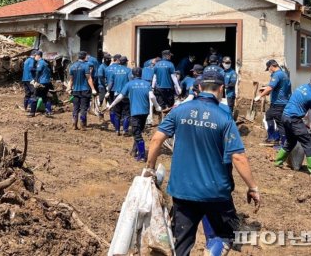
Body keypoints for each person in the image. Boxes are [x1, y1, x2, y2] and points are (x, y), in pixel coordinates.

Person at [145, 69, 261, 255]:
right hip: (215, 190)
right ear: (222, 89)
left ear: (198, 87)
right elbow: (238, 156)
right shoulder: (224, 116)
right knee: (226, 235)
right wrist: (252, 187)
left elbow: (156, 140)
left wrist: (150, 168)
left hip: (182, 190)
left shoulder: (179, 111)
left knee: (181, 242)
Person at [274, 72, 311, 180]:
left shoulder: (302, 86)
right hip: (294, 119)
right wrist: (309, 125)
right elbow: (310, 114)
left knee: (291, 141)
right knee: (309, 143)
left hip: (285, 116)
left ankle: (278, 162)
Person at [106, 67, 161, 161]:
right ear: (141, 74)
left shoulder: (129, 84)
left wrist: (111, 105)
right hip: (145, 112)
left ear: (132, 75)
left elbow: (120, 96)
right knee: (138, 131)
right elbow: (152, 96)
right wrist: (157, 107)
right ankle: (134, 150)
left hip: (135, 112)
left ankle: (142, 155)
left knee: (137, 134)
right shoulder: (147, 84)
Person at [255, 59, 291, 145]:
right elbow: (278, 87)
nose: (269, 71)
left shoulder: (277, 75)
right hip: (283, 102)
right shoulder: (284, 74)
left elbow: (271, 87)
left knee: (275, 120)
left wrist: (260, 96)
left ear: (271, 66)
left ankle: (279, 140)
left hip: (278, 103)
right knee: (273, 118)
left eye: (268, 69)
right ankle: (277, 138)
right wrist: (267, 90)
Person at [67, 51, 97, 130]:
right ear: (84, 57)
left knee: (75, 107)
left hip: (75, 90)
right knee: (83, 108)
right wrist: (93, 89)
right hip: (85, 90)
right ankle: (83, 125)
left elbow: (71, 79)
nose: (87, 57)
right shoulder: (86, 66)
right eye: (86, 56)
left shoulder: (72, 66)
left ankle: (74, 124)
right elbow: (89, 78)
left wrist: (69, 88)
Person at [108, 56, 132, 135]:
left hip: (116, 94)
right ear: (126, 62)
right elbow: (130, 82)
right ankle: (125, 130)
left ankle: (117, 130)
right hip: (126, 95)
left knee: (117, 113)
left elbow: (111, 83)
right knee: (126, 113)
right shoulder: (128, 70)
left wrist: (108, 91)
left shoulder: (114, 71)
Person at [28, 50, 53, 117]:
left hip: (41, 83)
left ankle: (32, 113)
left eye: (35, 56)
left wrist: (35, 82)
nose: (34, 57)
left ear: (38, 56)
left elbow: (37, 73)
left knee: (34, 97)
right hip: (47, 82)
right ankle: (48, 112)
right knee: (45, 97)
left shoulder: (40, 63)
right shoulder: (45, 63)